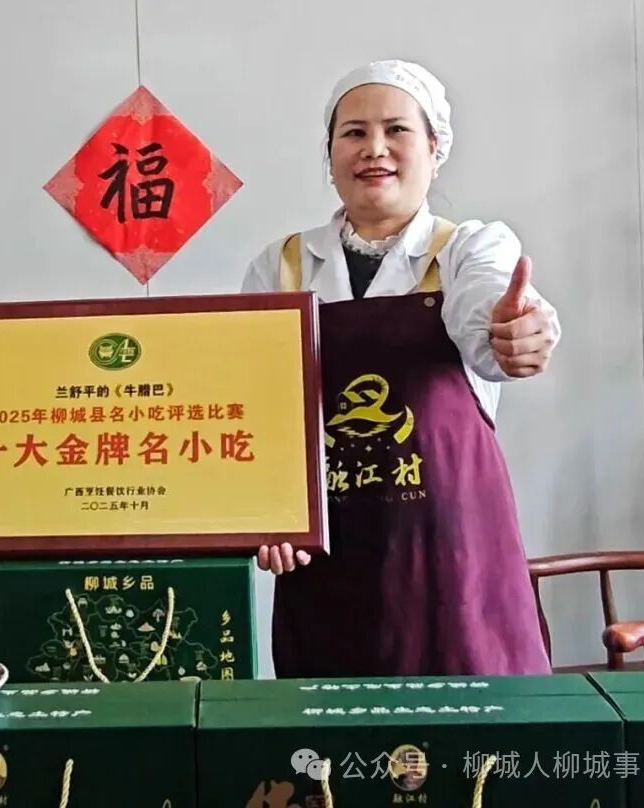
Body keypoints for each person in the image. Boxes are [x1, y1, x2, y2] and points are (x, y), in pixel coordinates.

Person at [243, 60, 560, 678]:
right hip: (328, 563)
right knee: (333, 729)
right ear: (330, 153)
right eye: (354, 133)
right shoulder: (281, 266)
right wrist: (266, 512)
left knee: (474, 724)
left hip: (453, 560)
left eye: (397, 130)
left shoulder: (471, 249)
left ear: (436, 148)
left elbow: (486, 315)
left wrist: (513, 332)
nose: (374, 149)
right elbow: (258, 408)